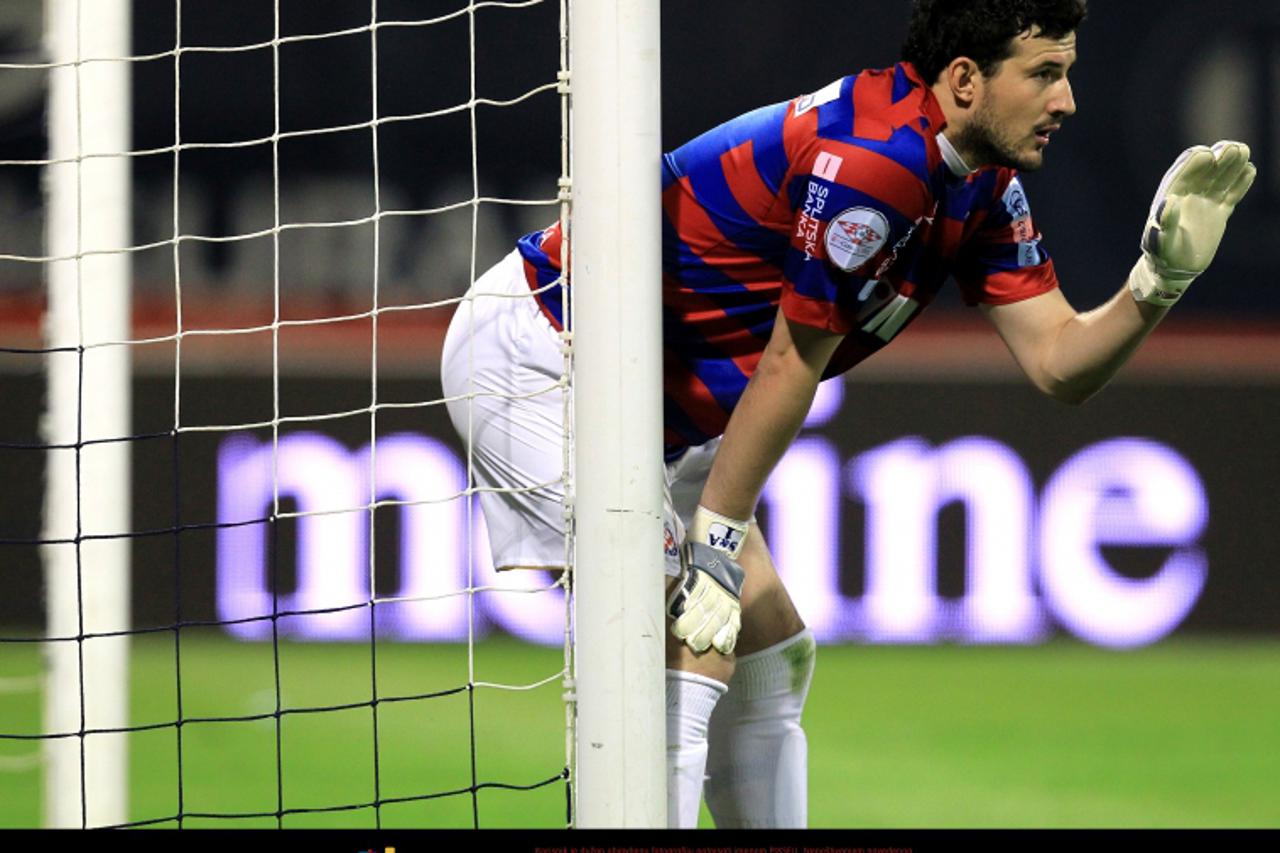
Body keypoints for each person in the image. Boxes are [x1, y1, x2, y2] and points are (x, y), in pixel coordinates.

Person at [441, 0, 1255, 828]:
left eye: (1067, 72)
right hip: (544, 352)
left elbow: (1058, 363)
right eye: (1044, 73)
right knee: (681, 637)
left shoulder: (979, 184)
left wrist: (1158, 281)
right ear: (967, 81)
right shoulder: (876, 162)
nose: (1067, 100)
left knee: (770, 656)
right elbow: (793, 360)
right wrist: (718, 545)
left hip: (651, 403)